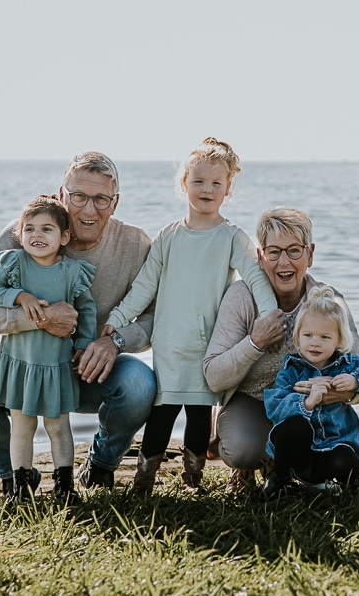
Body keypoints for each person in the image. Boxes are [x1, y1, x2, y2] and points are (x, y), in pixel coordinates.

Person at [0, 152, 156, 498]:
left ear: (115, 202)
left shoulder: (136, 244)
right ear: (62, 195)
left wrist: (114, 342)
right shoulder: (26, 233)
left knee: (139, 383)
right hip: (25, 368)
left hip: (85, 368)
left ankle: (100, 465)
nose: (89, 210)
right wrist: (40, 320)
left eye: (101, 199)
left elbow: (155, 317)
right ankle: (15, 476)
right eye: (78, 197)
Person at [104, 138, 278, 494]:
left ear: (228, 188)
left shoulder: (231, 237)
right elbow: (143, 286)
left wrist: (271, 313)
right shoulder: (168, 237)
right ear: (184, 183)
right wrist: (119, 317)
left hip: (207, 346)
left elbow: (256, 277)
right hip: (168, 345)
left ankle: (192, 479)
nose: (207, 189)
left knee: (199, 415)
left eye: (216, 183)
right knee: (162, 413)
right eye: (198, 181)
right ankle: (144, 480)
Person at [203, 206, 359, 491]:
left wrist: (330, 388)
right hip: (252, 401)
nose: (284, 262)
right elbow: (214, 376)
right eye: (273, 252)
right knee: (242, 449)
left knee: (313, 438)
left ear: (310, 254)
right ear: (260, 256)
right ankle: (257, 467)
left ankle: (294, 468)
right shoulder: (242, 297)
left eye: (294, 250)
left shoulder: (329, 302)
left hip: (310, 410)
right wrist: (255, 342)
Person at [0, 195, 96, 507]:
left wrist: (83, 345)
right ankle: (20, 488)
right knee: (22, 426)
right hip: (20, 362)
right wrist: (19, 296)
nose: (37, 236)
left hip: (56, 363)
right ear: (20, 234)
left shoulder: (72, 271)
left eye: (46, 229)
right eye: (29, 229)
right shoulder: (13, 263)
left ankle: (65, 486)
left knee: (58, 426)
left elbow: (86, 310)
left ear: (64, 236)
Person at [261, 285, 359, 498]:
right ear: (298, 337)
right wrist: (306, 402)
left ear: (339, 340)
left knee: (344, 457)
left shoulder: (348, 364)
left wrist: (355, 381)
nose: (315, 342)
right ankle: (279, 478)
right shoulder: (291, 368)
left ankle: (351, 486)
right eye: (308, 335)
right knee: (295, 425)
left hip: (332, 451)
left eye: (325, 337)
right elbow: (274, 405)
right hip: (298, 457)